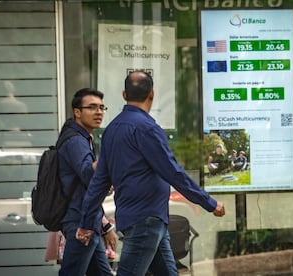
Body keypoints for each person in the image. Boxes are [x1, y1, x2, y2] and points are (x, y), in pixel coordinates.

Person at [76, 71, 225, 276]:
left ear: (123, 94)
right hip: (146, 219)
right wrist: (210, 203)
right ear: (152, 94)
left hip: (142, 218)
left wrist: (86, 222)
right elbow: (173, 172)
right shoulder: (147, 129)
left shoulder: (111, 130)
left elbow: (99, 181)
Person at [57, 88, 116, 276]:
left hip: (88, 218)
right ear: (77, 112)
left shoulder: (84, 138)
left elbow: (88, 185)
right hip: (79, 221)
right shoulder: (75, 141)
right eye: (91, 107)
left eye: (101, 107)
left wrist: (105, 225)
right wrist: (110, 155)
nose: (99, 112)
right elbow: (88, 176)